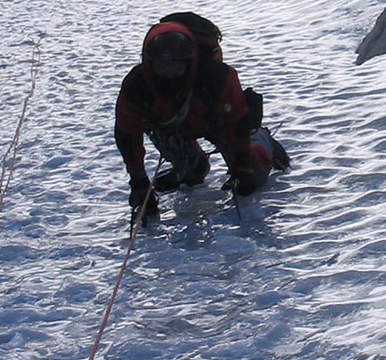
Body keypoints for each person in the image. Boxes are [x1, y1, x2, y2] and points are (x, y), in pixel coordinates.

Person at [113, 14, 288, 219]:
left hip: (216, 121)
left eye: (176, 66)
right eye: (162, 66)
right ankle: (194, 165)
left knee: (254, 175)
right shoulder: (136, 86)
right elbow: (127, 135)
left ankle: (261, 140)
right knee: (192, 174)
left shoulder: (216, 76)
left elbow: (236, 121)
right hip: (172, 126)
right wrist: (139, 183)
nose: (170, 74)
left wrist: (242, 166)